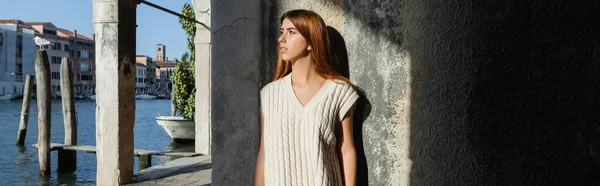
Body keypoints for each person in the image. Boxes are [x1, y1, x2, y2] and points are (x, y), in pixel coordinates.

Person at [254, 9, 359, 186]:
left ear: (311, 42)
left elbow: (346, 150)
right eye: (282, 31)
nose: (282, 38)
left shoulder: (339, 92)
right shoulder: (269, 94)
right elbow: (264, 154)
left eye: (291, 32)